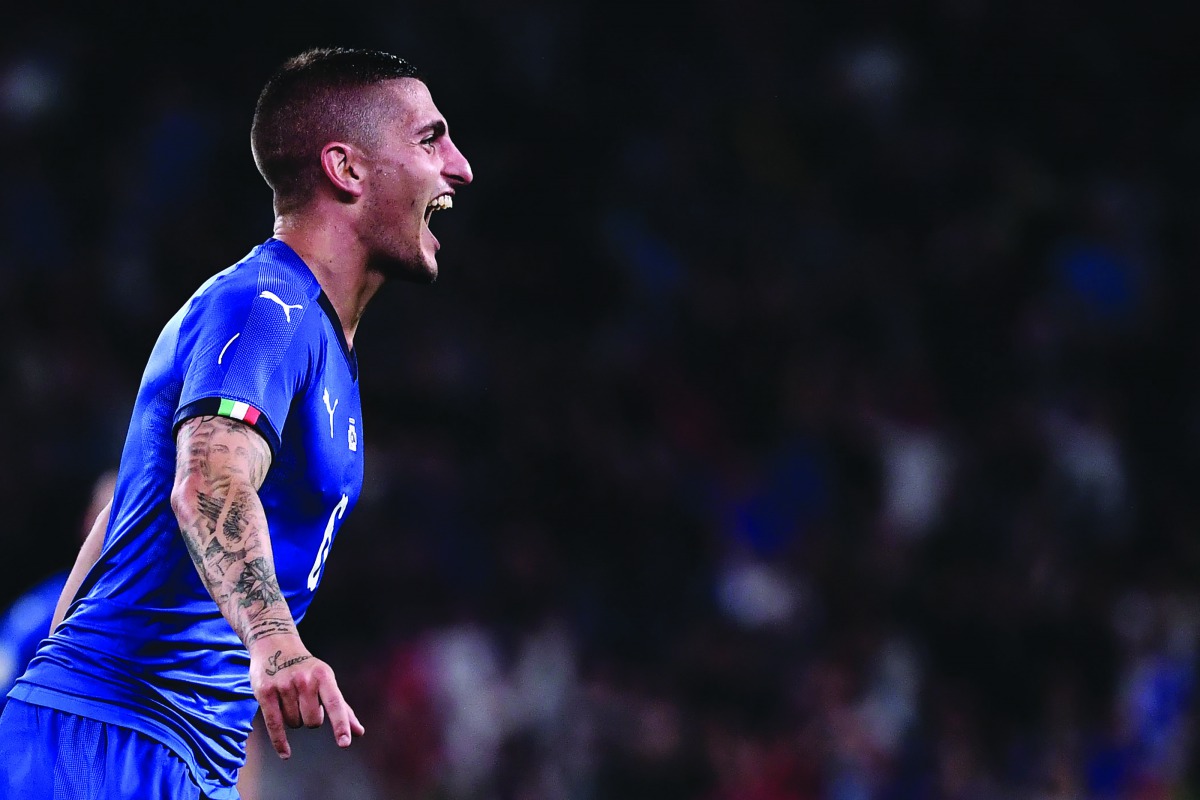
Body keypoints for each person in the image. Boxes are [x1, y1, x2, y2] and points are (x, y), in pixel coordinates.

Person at [0, 47, 473, 800]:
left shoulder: (315, 337)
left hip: (170, 754)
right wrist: (279, 645)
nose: (459, 167)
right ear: (346, 169)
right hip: (113, 742)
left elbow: (121, 521)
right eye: (429, 139)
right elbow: (209, 477)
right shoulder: (265, 306)